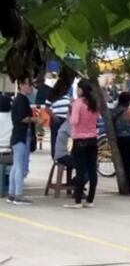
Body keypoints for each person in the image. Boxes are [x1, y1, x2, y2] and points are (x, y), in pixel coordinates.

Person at [65, 79, 101, 208]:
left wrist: (69, 115)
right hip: (92, 138)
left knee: (80, 170)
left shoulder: (78, 103)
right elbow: (97, 119)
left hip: (79, 139)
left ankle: (78, 200)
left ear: (81, 89)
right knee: (92, 170)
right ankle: (90, 199)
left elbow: (74, 121)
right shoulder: (94, 103)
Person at [6, 79, 39, 206]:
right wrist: (36, 119)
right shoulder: (21, 100)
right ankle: (18, 195)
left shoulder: (20, 100)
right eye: (29, 85)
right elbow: (23, 118)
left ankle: (12, 193)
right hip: (20, 136)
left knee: (16, 166)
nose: (31, 87)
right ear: (21, 85)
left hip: (17, 136)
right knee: (19, 166)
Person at [45, 87, 71, 156]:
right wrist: (53, 116)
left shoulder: (67, 96)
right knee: (55, 138)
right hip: (56, 119)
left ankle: (63, 155)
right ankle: (54, 155)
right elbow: (46, 108)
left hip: (65, 120)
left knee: (63, 138)